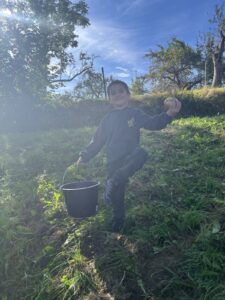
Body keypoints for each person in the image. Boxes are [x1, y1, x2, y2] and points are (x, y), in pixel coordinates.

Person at [76, 80, 181, 232]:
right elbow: (97, 140)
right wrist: (84, 156)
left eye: (121, 91)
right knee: (117, 196)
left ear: (128, 95)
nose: (117, 94)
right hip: (113, 160)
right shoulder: (107, 120)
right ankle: (118, 220)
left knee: (142, 154)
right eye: (113, 93)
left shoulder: (135, 114)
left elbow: (153, 123)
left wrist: (169, 114)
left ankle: (114, 180)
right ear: (109, 99)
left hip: (130, 157)